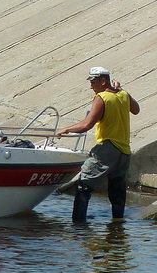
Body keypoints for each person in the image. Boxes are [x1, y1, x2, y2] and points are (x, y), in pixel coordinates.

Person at [57, 66, 140, 222]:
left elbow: (87, 125)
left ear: (103, 81)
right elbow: (136, 110)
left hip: (107, 149)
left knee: (84, 184)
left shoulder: (102, 98)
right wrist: (122, 90)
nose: (91, 86)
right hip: (124, 151)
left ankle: (78, 226)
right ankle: (117, 225)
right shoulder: (123, 94)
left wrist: (67, 129)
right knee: (117, 190)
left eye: (93, 81)